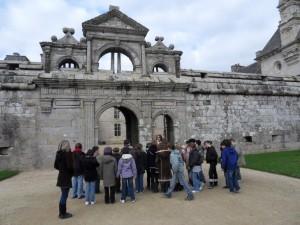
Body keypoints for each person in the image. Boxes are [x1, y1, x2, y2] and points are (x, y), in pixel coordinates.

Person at [54, 140, 73, 219]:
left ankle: (63, 212)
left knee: (63, 195)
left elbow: (56, 166)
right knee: (64, 196)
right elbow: (70, 167)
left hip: (61, 176)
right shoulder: (67, 155)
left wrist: (62, 169)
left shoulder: (59, 154)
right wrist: (71, 172)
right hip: (65, 177)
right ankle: (62, 213)